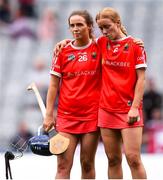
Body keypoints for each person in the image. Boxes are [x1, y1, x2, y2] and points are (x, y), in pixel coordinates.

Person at [43, 10, 101, 179]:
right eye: (72, 25)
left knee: (87, 164)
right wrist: (49, 114)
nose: (75, 28)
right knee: (63, 166)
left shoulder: (100, 48)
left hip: (91, 116)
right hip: (66, 117)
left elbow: (118, 39)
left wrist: (135, 42)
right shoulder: (62, 51)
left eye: (80, 25)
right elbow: (53, 85)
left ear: (89, 26)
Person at [96, 7, 147, 179]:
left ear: (118, 23)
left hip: (129, 110)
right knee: (113, 160)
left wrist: (134, 108)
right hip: (106, 110)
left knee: (133, 159)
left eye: (107, 27)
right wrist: (64, 43)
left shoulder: (135, 46)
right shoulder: (101, 43)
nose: (104, 32)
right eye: (101, 28)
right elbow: (81, 44)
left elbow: (141, 80)